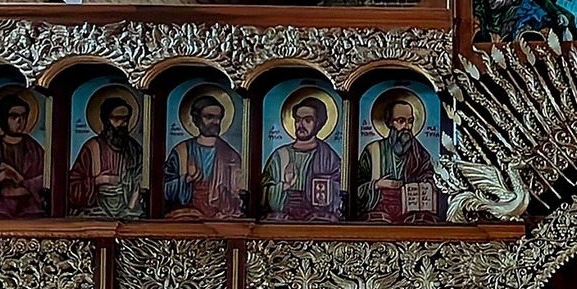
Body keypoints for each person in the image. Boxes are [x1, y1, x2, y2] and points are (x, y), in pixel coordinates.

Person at [354, 88, 441, 222]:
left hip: (410, 212)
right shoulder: (373, 151)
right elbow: (356, 189)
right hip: (379, 211)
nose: (407, 126)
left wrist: (425, 186)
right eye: (401, 121)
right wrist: (377, 184)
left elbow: (430, 176)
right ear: (389, 122)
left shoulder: (419, 152)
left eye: (410, 121)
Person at [261, 91, 343, 221]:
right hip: (284, 218)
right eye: (298, 120)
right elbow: (264, 192)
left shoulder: (329, 157)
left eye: (307, 120)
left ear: (318, 123)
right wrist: (284, 185)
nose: (301, 125)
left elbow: (340, 190)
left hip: (317, 218)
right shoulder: (280, 156)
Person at [163, 89, 244, 218]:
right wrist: (186, 179)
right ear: (196, 119)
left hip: (220, 217)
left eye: (218, 118)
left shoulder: (231, 156)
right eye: (209, 117)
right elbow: (164, 190)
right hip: (187, 214)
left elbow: (239, 193)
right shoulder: (181, 152)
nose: (215, 122)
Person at [68, 88, 145, 217]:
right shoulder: (92, 148)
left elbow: (142, 179)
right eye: (117, 119)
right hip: (97, 209)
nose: (122, 124)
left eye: (126, 119)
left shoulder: (134, 149)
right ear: (106, 120)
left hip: (128, 209)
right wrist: (98, 180)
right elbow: (72, 188)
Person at [0, 90, 49, 217]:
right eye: (14, 116)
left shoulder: (34, 149)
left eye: (23, 116)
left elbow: (46, 180)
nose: (20, 121)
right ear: (3, 119)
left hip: (29, 211)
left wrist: (19, 178)